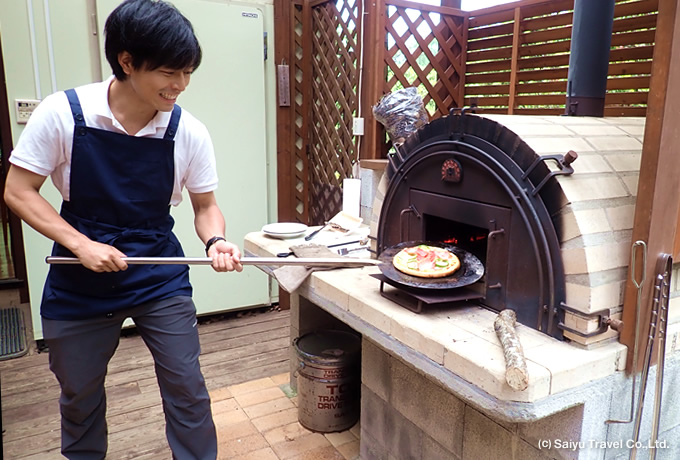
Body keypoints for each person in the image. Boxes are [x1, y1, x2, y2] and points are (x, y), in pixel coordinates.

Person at [3, 0, 242, 458]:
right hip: (79, 277)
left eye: (188, 72)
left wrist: (216, 240)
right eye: (170, 72)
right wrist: (80, 245)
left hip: (158, 271)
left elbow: (206, 205)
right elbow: (18, 190)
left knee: (187, 387)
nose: (181, 85)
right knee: (79, 394)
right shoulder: (63, 113)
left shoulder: (188, 130)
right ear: (127, 61)